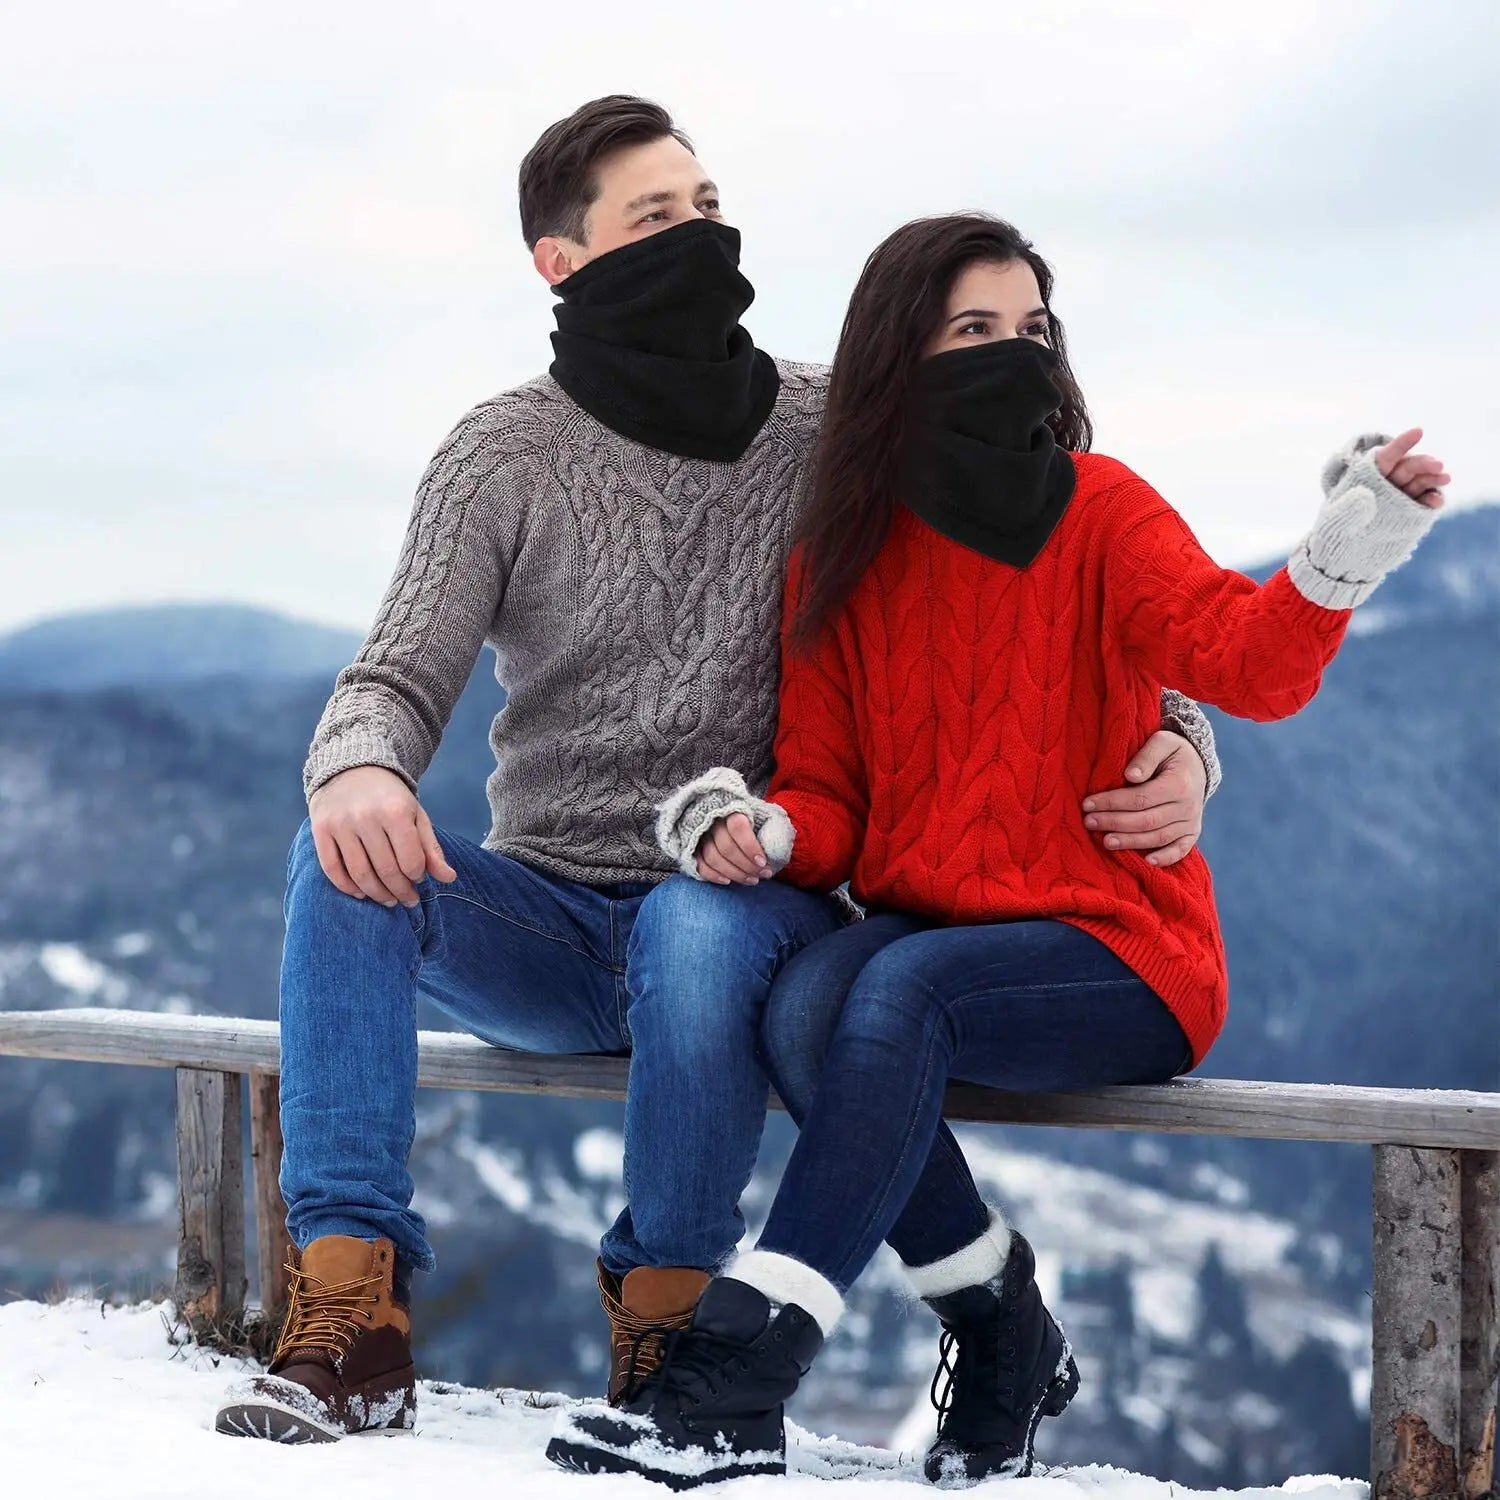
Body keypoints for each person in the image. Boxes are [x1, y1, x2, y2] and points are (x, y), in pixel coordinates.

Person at [214, 104, 1220, 1444]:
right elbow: (392, 679)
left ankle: (672, 1320)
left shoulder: (829, 427)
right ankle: (354, 1310)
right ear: (561, 259)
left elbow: (1041, 567)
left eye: (707, 206)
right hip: (556, 922)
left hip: (749, 907)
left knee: (694, 920)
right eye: (657, 216)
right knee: (336, 861)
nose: (700, 234)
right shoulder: (501, 454)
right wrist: (358, 768)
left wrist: (1185, 736)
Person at [545, 212, 1447, 1487]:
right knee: (806, 1005)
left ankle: (743, 1369)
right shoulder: (843, 555)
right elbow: (831, 791)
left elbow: (1247, 665)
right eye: (973, 328)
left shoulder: (1103, 509)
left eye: (1030, 328)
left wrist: (1345, 548)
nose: (1011, 353)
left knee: (897, 988)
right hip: (934, 942)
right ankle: (1000, 1321)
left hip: (1121, 949)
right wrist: (762, 827)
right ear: (899, 355)